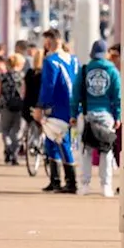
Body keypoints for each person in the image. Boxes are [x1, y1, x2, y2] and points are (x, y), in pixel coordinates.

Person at [73, 40, 122, 197]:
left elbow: (75, 95)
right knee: (106, 151)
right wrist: (118, 116)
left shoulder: (85, 70)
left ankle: (85, 185)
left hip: (87, 115)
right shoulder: (113, 71)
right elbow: (118, 96)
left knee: (86, 151)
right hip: (106, 115)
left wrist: (73, 114)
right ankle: (106, 185)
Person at [37, 29, 81, 194]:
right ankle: (56, 180)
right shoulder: (74, 60)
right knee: (55, 141)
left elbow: (48, 86)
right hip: (72, 106)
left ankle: (69, 182)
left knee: (60, 141)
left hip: (56, 107)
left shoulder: (51, 61)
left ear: (49, 42)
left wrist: (40, 107)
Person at [0, 53, 25, 165]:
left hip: (5, 107)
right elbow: (24, 92)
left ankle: (8, 148)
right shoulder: (22, 76)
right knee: (17, 132)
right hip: (18, 108)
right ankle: (14, 153)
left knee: (5, 130)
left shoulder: (2, 77)